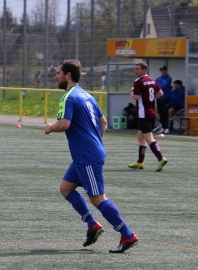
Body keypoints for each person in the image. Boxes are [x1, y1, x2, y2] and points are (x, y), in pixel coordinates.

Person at [45, 59, 139, 253]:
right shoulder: (87, 95)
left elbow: (63, 124)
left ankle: (128, 235)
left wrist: (50, 128)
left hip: (87, 155)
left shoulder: (68, 96)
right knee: (65, 188)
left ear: (68, 75)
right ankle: (92, 224)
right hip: (87, 154)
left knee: (97, 199)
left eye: (58, 73)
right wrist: (96, 142)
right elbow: (102, 121)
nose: (56, 76)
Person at [128, 62, 167, 171]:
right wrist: (148, 98)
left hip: (143, 113)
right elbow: (160, 93)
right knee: (140, 137)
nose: (135, 71)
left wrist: (131, 92)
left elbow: (135, 97)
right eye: (135, 69)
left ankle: (161, 158)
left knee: (149, 138)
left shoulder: (138, 81)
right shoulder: (152, 80)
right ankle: (140, 162)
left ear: (144, 70)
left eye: (137, 69)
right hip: (151, 112)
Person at [155, 65, 172, 134]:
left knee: (165, 113)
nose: (162, 71)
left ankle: (167, 128)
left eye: (163, 70)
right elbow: (155, 86)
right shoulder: (158, 79)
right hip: (159, 98)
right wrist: (158, 87)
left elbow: (165, 86)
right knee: (160, 113)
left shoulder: (169, 78)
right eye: (161, 70)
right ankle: (163, 127)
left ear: (166, 70)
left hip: (165, 98)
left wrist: (158, 86)